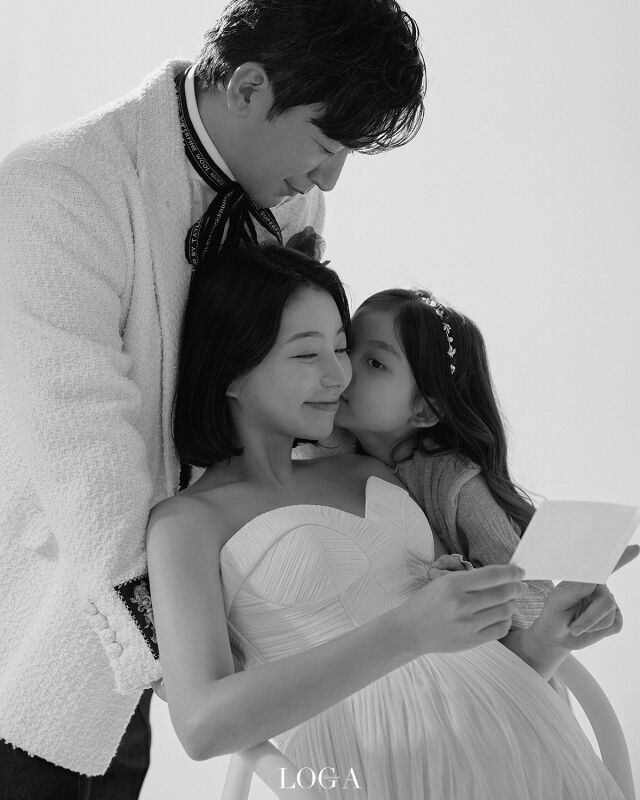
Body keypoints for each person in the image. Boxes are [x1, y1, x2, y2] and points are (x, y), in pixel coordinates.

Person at [0, 1, 425, 794]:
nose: (329, 178)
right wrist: (194, 659)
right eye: (326, 143)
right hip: (41, 631)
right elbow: (84, 451)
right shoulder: (59, 188)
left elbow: (283, 395)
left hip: (173, 632)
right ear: (249, 87)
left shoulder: (291, 201)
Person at [147, 243, 628, 799]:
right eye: (307, 354)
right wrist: (407, 631)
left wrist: (548, 637)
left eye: (341, 348)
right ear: (231, 371)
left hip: (527, 739)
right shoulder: (186, 523)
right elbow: (201, 726)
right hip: (369, 775)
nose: (339, 374)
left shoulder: (374, 470)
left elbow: (463, 663)